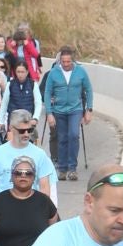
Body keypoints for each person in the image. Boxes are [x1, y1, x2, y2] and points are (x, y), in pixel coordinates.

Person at [0, 114, 54, 225]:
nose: (27, 134)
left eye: (30, 130)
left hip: (30, 210)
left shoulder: (40, 154)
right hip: (1, 210)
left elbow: (44, 186)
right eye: (22, 131)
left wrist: (43, 214)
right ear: (11, 129)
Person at [40, 47, 94, 182]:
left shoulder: (81, 72)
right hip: (59, 110)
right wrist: (49, 113)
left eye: (68, 61)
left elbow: (89, 90)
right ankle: (62, 168)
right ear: (60, 61)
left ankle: (72, 168)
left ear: (72, 60)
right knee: (62, 138)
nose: (65, 64)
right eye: (63, 62)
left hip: (75, 109)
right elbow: (47, 93)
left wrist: (89, 110)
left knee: (74, 135)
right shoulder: (53, 73)